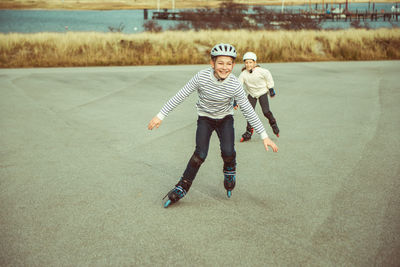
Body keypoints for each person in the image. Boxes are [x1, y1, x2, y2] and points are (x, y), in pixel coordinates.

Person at [148, 44, 279, 208]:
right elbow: (181, 94)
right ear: (212, 63)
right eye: (221, 63)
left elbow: (248, 110)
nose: (225, 67)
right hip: (205, 119)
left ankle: (230, 170)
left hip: (225, 119)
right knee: (200, 154)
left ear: (233, 65)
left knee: (228, 151)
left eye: (229, 63)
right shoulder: (201, 77)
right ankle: (182, 186)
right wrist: (161, 115)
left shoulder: (235, 84)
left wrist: (264, 136)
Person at [237, 52, 280, 142]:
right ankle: (249, 132)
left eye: (250, 62)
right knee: (249, 112)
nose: (248, 64)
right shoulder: (243, 74)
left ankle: (273, 123)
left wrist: (271, 88)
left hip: (262, 92)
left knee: (266, 111)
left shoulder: (262, 71)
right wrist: (235, 100)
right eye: (246, 62)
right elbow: (238, 86)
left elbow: (268, 77)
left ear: (255, 63)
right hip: (252, 94)